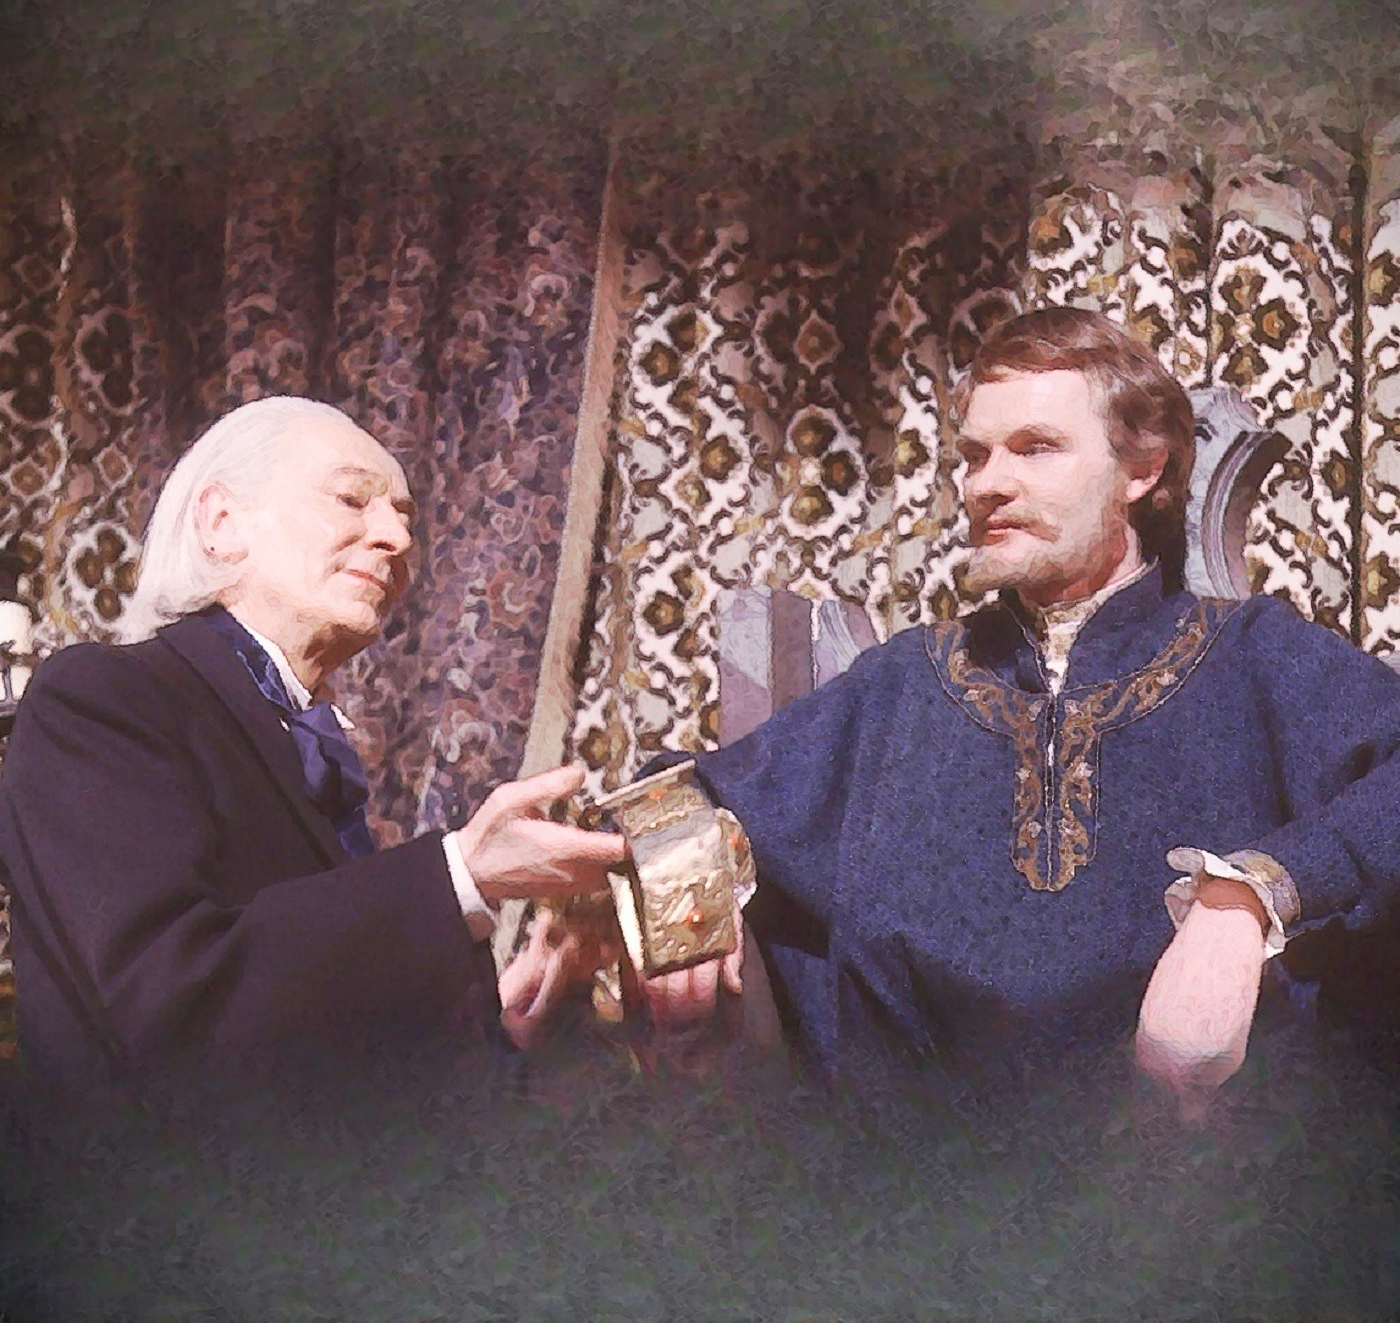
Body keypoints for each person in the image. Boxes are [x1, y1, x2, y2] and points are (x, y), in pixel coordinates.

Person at [641, 306, 1400, 1115]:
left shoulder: (1252, 653)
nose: (985, 485)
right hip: (913, 1171)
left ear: (1142, 471)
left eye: (1035, 448)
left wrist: (1248, 898)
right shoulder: (903, 681)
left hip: (1201, 1167)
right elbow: (684, 794)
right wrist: (685, 897)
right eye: (974, 456)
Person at [0, 396, 624, 1095]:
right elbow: (168, 1011)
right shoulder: (100, 698)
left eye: (405, 517)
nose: (397, 538)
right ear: (223, 523)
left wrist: (511, 1024)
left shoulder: (307, 745)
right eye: (353, 500)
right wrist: (459, 877)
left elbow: (295, 1024)